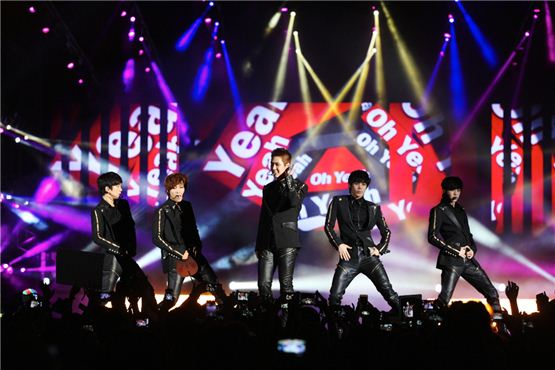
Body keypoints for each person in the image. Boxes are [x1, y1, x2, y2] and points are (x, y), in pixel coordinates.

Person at [324, 170, 400, 312]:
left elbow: (386, 232)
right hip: (349, 257)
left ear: (366, 187)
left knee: (389, 293)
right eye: (357, 183)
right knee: (334, 297)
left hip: (369, 257)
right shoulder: (338, 202)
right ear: (350, 185)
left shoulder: (373, 207)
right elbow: (328, 226)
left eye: (363, 184)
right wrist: (339, 244)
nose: (360, 187)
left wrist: (379, 249)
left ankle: (404, 325)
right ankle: (336, 330)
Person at [428, 176, 502, 319]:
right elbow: (432, 237)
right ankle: (433, 328)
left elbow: (468, 234)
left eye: (458, 190)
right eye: (452, 190)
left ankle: (500, 324)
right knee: (444, 299)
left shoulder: (461, 210)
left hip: (467, 260)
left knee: (492, 292)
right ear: (444, 191)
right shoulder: (438, 210)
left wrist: (472, 250)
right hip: (451, 260)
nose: (455, 193)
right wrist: (456, 251)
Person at [153, 173, 225, 311]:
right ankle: (156, 320)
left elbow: (193, 229)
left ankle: (226, 313)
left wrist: (197, 246)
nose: (178, 191)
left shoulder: (187, 206)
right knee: (171, 298)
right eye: (174, 188)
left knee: (214, 284)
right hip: (175, 258)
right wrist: (179, 252)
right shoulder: (162, 211)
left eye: (181, 187)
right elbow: (157, 238)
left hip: (194, 255)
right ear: (168, 190)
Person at [91, 172, 158, 318]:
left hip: (127, 257)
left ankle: (147, 320)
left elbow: (129, 227)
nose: (121, 189)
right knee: (109, 295)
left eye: (121, 185)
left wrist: (129, 249)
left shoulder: (123, 204)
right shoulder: (99, 211)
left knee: (145, 289)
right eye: (117, 186)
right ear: (107, 189)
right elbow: (98, 237)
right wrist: (118, 249)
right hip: (114, 257)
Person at [255, 148, 308, 304]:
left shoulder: (300, 186)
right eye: (272, 164)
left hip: (287, 241)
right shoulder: (268, 188)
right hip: (267, 242)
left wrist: (289, 180)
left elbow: (293, 202)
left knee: (286, 286)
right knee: (263, 284)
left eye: (277, 164)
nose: (273, 168)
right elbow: (264, 217)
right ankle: (268, 318)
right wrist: (258, 244)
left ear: (287, 165)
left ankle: (287, 323)